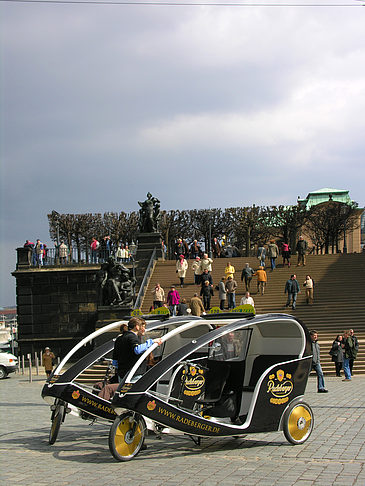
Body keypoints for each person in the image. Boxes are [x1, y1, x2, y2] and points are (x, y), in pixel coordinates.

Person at [113, 317, 162, 382]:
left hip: (122, 375)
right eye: (143, 327)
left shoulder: (119, 339)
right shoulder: (132, 337)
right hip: (134, 374)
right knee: (133, 391)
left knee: (124, 391)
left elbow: (115, 361)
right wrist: (152, 342)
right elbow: (137, 350)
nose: (144, 329)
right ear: (137, 327)